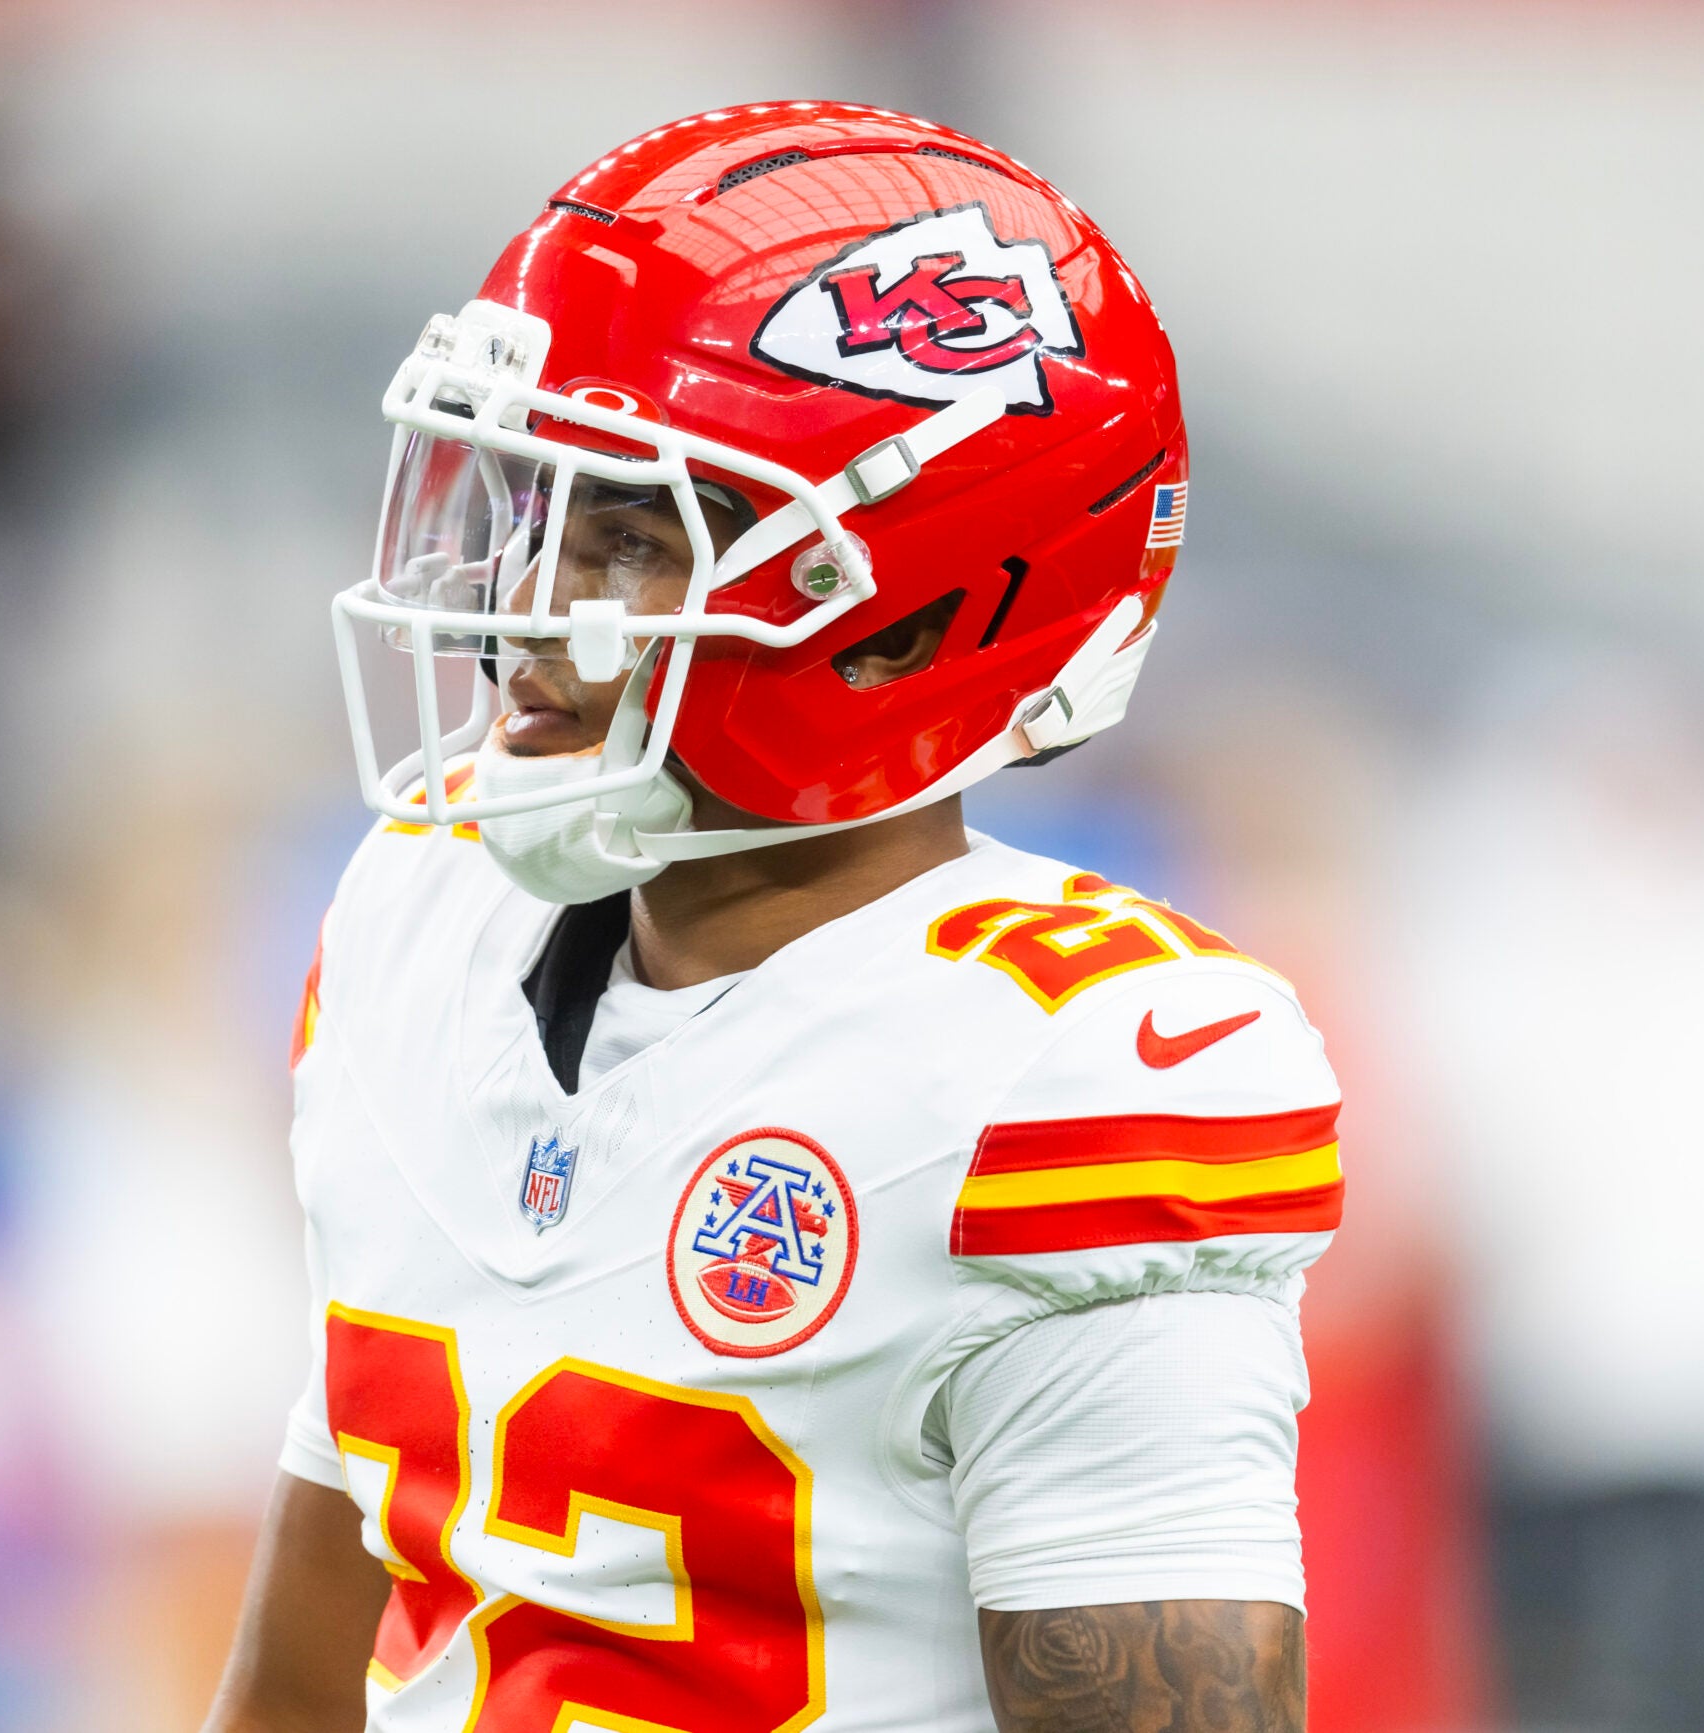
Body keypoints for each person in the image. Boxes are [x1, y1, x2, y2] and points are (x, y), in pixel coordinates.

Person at [207, 105, 1340, 1733]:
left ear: (904, 622)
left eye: (628, 539)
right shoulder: (420, 912)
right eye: (534, 513)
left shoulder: (1055, 1079)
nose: (526, 604)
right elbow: (309, 1659)